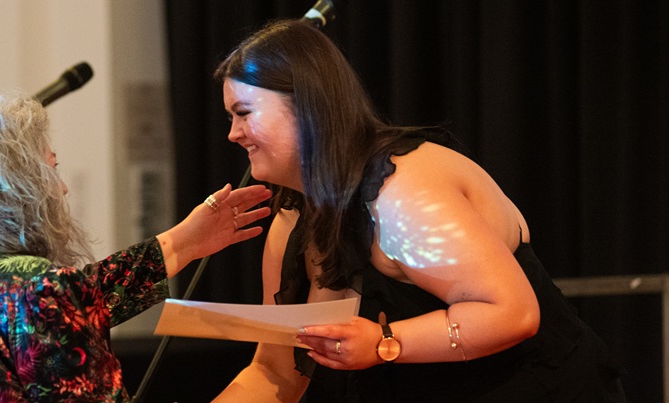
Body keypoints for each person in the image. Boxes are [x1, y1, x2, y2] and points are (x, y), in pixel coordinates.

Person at [212, 19, 626, 402]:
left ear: (308, 107)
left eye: (244, 113)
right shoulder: (292, 220)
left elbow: (513, 313)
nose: (232, 134)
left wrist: (382, 341)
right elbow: (275, 370)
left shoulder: (399, 193)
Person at [0, 93, 273, 402]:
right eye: (52, 169)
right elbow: (48, 307)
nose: (61, 187)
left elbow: (71, 300)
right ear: (18, 189)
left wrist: (182, 242)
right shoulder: (38, 290)